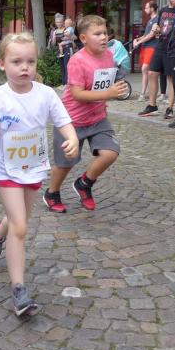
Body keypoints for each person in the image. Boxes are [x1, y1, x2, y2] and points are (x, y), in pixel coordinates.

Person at [0, 33, 78, 316]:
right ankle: (19, 290)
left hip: (34, 168)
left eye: (30, 61)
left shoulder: (46, 94)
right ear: (2, 63)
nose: (24, 67)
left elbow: (63, 120)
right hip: (6, 170)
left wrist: (72, 138)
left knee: (17, 219)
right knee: (20, 227)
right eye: (17, 61)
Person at [43, 15, 129, 213]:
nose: (103, 37)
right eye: (97, 34)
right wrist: (108, 93)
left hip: (98, 118)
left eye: (105, 33)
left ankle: (84, 184)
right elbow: (77, 94)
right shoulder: (77, 61)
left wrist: (116, 87)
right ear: (83, 38)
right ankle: (52, 193)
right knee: (66, 163)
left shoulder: (109, 56)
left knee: (110, 153)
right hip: (71, 121)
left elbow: (104, 83)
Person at [139, 0, 175, 119]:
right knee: (151, 73)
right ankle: (152, 106)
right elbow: (158, 26)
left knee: (171, 77)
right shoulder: (163, 10)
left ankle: (170, 108)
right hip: (160, 45)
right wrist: (156, 28)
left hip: (172, 48)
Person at [132, 1, 159, 101]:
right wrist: (137, 39)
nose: (145, 10)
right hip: (145, 46)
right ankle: (143, 93)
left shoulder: (157, 19)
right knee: (145, 71)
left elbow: (151, 35)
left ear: (152, 9)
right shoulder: (150, 20)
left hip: (152, 47)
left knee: (145, 69)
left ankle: (144, 94)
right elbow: (146, 35)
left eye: (147, 8)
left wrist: (139, 42)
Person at [49, 14, 67, 84]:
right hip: (59, 50)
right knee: (62, 66)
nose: (58, 24)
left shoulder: (66, 29)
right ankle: (63, 83)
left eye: (60, 22)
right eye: (57, 22)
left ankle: (67, 83)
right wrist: (53, 39)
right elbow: (53, 44)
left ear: (63, 22)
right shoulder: (55, 31)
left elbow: (74, 38)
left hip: (66, 48)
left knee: (67, 66)